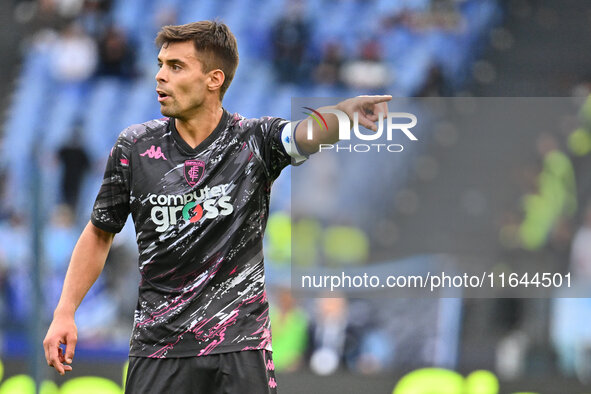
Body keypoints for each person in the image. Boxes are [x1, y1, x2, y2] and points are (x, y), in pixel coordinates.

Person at [43, 20, 391, 393]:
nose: (160, 77)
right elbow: (99, 233)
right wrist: (65, 310)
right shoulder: (135, 147)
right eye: (160, 64)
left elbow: (304, 135)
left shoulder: (254, 141)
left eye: (176, 67)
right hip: (158, 347)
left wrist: (341, 116)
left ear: (214, 79)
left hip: (240, 345)